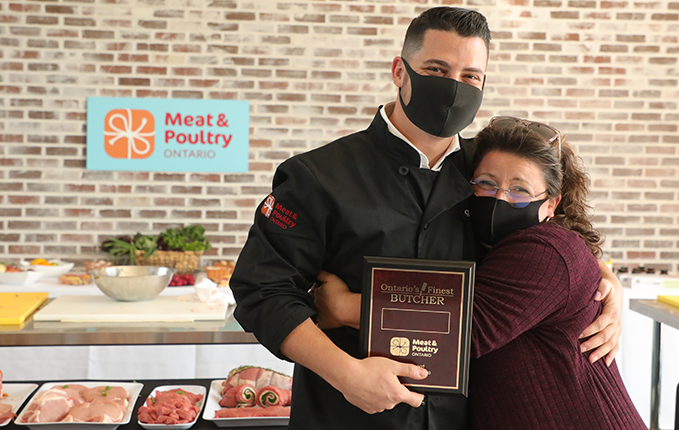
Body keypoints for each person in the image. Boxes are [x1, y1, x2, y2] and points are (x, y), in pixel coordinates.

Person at [230, 7, 623, 430]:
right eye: (437, 69)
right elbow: (261, 291)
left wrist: (608, 284)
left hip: (464, 416)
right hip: (345, 411)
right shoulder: (317, 175)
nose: (454, 88)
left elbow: (547, 244)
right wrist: (345, 374)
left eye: (471, 76)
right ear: (400, 71)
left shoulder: (489, 173)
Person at [314, 117, 646, 429]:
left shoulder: (546, 248)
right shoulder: (488, 244)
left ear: (550, 204)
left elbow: (463, 331)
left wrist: (342, 308)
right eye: (486, 183)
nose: (500, 198)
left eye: (519, 190)